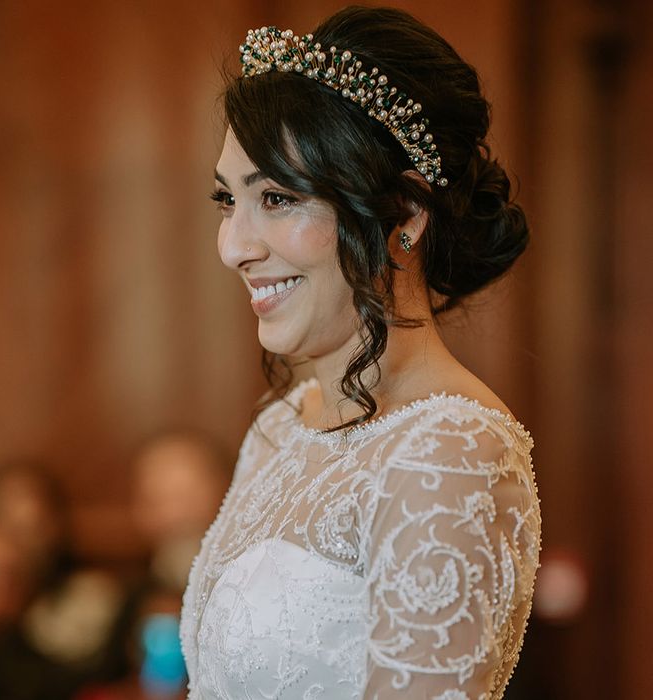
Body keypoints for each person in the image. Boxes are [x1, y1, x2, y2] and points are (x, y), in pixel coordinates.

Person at [180, 6, 541, 700]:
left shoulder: (453, 451)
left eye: (278, 197)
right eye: (229, 200)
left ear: (404, 216)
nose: (234, 247)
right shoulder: (282, 423)